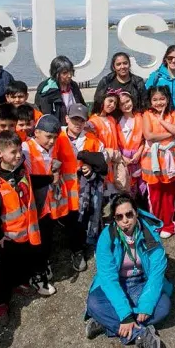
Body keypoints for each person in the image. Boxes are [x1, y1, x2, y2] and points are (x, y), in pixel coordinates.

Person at [85, 195, 171, 348]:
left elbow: (157, 272)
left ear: (136, 213)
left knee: (163, 307)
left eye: (129, 214)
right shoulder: (106, 237)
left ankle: (107, 325)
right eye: (119, 216)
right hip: (118, 283)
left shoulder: (150, 233)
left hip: (142, 283)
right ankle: (141, 335)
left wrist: (146, 305)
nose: (125, 220)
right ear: (115, 219)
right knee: (94, 302)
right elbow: (108, 279)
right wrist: (125, 315)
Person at [0, 131, 42, 323]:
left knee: (22, 260)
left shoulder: (21, 169)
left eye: (19, 151)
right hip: (7, 236)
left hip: (26, 231)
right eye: (13, 152)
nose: (18, 155)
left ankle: (19, 282)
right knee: (4, 270)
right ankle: (0, 303)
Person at [56, 103, 105, 272]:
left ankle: (95, 243)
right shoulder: (57, 138)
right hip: (64, 190)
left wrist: (91, 166)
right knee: (72, 222)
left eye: (81, 120)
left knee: (91, 215)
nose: (78, 123)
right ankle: (77, 250)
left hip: (87, 188)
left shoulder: (92, 139)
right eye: (74, 119)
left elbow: (102, 160)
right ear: (67, 119)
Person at [20, 115, 63, 296]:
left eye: (54, 137)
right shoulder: (25, 149)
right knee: (34, 240)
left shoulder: (47, 148)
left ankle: (42, 264)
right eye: (48, 136)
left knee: (45, 236)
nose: (52, 141)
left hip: (45, 203)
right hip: (30, 205)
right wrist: (50, 177)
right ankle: (36, 276)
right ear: (36, 132)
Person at [141, 86, 175, 238]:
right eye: (155, 99)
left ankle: (169, 224)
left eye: (162, 99)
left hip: (171, 158)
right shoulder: (147, 114)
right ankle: (155, 223)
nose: (158, 102)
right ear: (150, 101)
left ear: (167, 99)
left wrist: (162, 122)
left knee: (169, 194)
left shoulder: (174, 114)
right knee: (154, 194)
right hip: (152, 159)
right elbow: (149, 135)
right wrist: (170, 133)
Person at [35, 55, 86, 125]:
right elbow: (46, 117)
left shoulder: (74, 86)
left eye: (71, 72)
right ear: (56, 74)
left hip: (75, 126)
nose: (69, 75)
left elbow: (82, 106)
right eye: (65, 73)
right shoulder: (47, 91)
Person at [145, 44, 175, 112]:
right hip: (161, 115)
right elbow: (145, 95)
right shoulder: (155, 76)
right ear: (165, 59)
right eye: (170, 58)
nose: (173, 61)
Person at [116, 90, 145, 197]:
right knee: (127, 188)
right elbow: (115, 142)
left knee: (141, 187)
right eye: (122, 104)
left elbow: (144, 140)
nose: (126, 105)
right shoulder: (116, 121)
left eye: (127, 101)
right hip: (124, 159)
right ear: (118, 107)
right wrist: (122, 157)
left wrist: (139, 153)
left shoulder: (140, 117)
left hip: (139, 158)